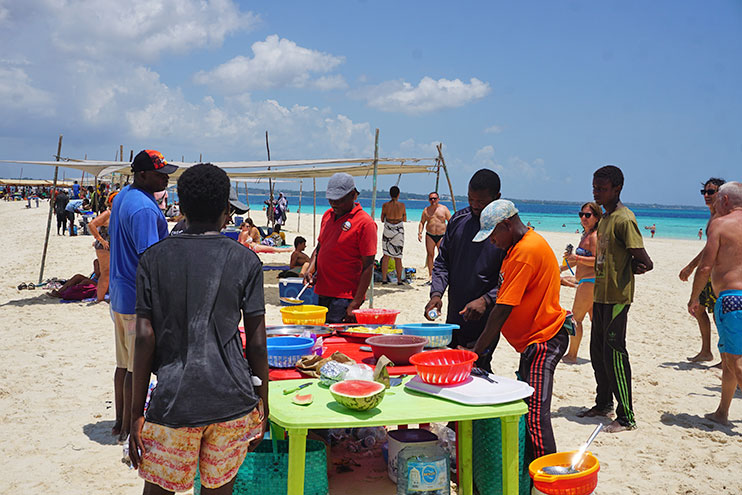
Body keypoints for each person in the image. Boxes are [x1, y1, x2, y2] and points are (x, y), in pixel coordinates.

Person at [129, 163, 268, 494]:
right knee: (218, 489)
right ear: (225, 212)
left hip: (173, 401)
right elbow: (258, 342)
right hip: (233, 402)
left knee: (159, 490)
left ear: (183, 209)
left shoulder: (152, 259)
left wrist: (137, 414)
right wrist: (264, 402)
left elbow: (144, 337)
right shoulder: (247, 261)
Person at [463, 199, 570, 464]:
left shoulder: (524, 253)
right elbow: (507, 289)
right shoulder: (520, 247)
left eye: (493, 235)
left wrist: (474, 353)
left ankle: (546, 478)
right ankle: (533, 470)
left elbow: (501, 312)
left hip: (543, 339)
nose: (491, 243)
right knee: (529, 409)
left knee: (534, 414)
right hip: (534, 339)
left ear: (506, 225)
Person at [577, 165, 653, 433]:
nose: (597, 192)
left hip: (618, 297)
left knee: (615, 355)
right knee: (597, 352)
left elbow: (645, 261)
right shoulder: (605, 218)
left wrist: (630, 268)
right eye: (595, 187)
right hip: (600, 295)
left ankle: (626, 416)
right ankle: (603, 403)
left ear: (617, 188)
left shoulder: (623, 219)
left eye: (603, 188)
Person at [109, 149, 177, 442]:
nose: (165, 178)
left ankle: (119, 421)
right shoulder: (146, 210)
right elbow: (151, 261)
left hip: (119, 295)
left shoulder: (125, 195)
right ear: (142, 175)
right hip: (137, 301)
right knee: (138, 367)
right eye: (160, 174)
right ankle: (128, 425)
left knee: (123, 363)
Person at [423, 169, 506, 372]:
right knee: (451, 367)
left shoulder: (505, 229)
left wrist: (487, 300)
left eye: (481, 202)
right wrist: (436, 294)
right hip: (455, 315)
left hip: (487, 319)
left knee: (479, 367)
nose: (475, 206)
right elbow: (442, 262)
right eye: (471, 199)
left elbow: (511, 279)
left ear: (496, 198)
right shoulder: (458, 221)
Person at [688, 182, 742, 427]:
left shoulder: (720, 224)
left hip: (732, 299)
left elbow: (706, 266)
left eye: (718, 197)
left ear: (727, 200)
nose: (715, 201)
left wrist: (695, 297)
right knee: (729, 359)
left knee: (735, 360)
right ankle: (722, 411)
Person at [304, 173, 377, 323]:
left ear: (353, 195)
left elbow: (368, 266)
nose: (334, 204)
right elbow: (320, 247)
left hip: (345, 296)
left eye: (339, 200)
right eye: (331, 200)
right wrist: (310, 270)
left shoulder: (365, 223)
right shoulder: (327, 215)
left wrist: (356, 302)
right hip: (322, 291)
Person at [679, 178, 726, 363]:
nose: (706, 195)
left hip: (719, 273)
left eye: (711, 192)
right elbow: (709, 247)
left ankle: (726, 357)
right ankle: (706, 351)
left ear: (721, 194)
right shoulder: (713, 215)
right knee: (698, 309)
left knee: (719, 314)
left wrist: (691, 267)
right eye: (704, 192)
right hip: (709, 272)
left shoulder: (723, 216)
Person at [561, 202, 601, 363]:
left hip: (590, 281)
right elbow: (579, 261)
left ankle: (572, 354)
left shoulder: (594, 236)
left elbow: (598, 260)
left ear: (597, 217)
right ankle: (599, 355)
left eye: (588, 215)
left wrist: (576, 258)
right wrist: (561, 268)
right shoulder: (585, 235)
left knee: (576, 319)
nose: (583, 218)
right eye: (581, 214)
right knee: (596, 322)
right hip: (586, 281)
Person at [88, 191, 117, 303]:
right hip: (104, 246)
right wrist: (100, 239)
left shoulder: (116, 213)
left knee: (112, 272)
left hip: (111, 246)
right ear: (110, 202)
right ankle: (99, 299)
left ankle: (108, 296)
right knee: (106, 272)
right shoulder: (108, 213)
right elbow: (91, 225)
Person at [418, 191, 451, 284]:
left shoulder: (443, 209)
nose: (433, 200)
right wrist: (419, 232)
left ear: (438, 199)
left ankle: (444, 274)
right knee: (430, 255)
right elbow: (422, 222)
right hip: (430, 235)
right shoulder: (426, 210)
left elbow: (450, 221)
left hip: (442, 235)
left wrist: (451, 234)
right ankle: (430, 275)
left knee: (442, 255)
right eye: (431, 199)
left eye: (435, 198)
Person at [380, 186, 407, 285]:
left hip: (388, 229)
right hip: (398, 230)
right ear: (398, 194)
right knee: (398, 256)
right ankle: (399, 280)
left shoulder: (385, 205)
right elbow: (404, 219)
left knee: (386, 255)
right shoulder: (402, 205)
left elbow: (382, 219)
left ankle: (384, 279)